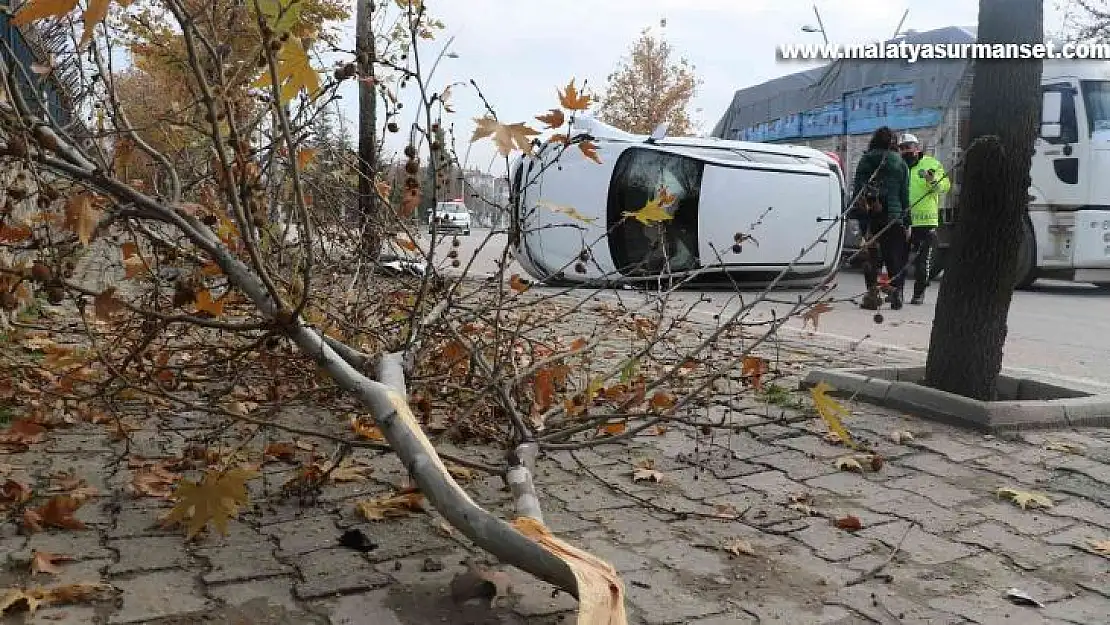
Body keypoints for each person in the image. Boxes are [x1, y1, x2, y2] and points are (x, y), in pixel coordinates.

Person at [851, 126, 911, 310]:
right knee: (894, 257)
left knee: (871, 257)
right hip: (894, 216)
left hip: (871, 216)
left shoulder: (866, 160)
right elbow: (904, 194)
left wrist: (859, 213)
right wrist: (907, 221)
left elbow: (859, 190)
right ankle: (896, 294)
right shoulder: (900, 163)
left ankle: (872, 295)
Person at [899, 133, 951, 305]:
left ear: (917, 148)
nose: (906, 150)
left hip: (925, 222)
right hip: (903, 221)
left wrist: (932, 180)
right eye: (903, 148)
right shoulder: (900, 166)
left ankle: (918, 294)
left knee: (923, 262)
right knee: (899, 260)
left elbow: (944, 186)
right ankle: (896, 293)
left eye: (909, 147)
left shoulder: (931, 164)